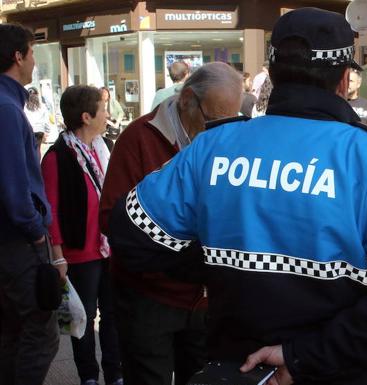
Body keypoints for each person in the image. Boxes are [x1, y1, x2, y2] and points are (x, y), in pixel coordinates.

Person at [107, 8, 367, 385]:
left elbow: (128, 233)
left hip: (233, 367)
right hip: (336, 372)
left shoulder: (213, 148)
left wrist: (214, 267)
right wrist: (305, 356)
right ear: (344, 78)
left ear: (274, 72)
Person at [99, 62, 243, 385]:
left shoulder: (221, 143)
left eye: (231, 123)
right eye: (215, 121)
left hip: (202, 301)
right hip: (148, 298)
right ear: (188, 99)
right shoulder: (138, 137)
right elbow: (110, 218)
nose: (221, 132)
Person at [41, 85, 122, 385]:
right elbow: (50, 211)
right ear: (86, 117)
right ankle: (88, 376)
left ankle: (116, 374)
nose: (108, 116)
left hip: (107, 250)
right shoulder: (56, 157)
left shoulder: (103, 148)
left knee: (113, 317)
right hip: (77, 255)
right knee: (79, 320)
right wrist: (57, 258)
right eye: (103, 110)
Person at [0, 23, 59, 385]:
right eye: (33, 53)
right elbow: (13, 187)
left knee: (12, 332)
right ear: (18, 56)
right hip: (16, 242)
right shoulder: (6, 109)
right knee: (40, 333)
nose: (35, 62)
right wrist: (37, 233)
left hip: (11, 240)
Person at [24, 87, 51, 151]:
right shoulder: (42, 106)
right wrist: (47, 131)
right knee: (38, 149)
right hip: (39, 130)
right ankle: (37, 160)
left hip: (29, 130)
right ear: (37, 95)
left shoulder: (24, 106)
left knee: (28, 149)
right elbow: (46, 120)